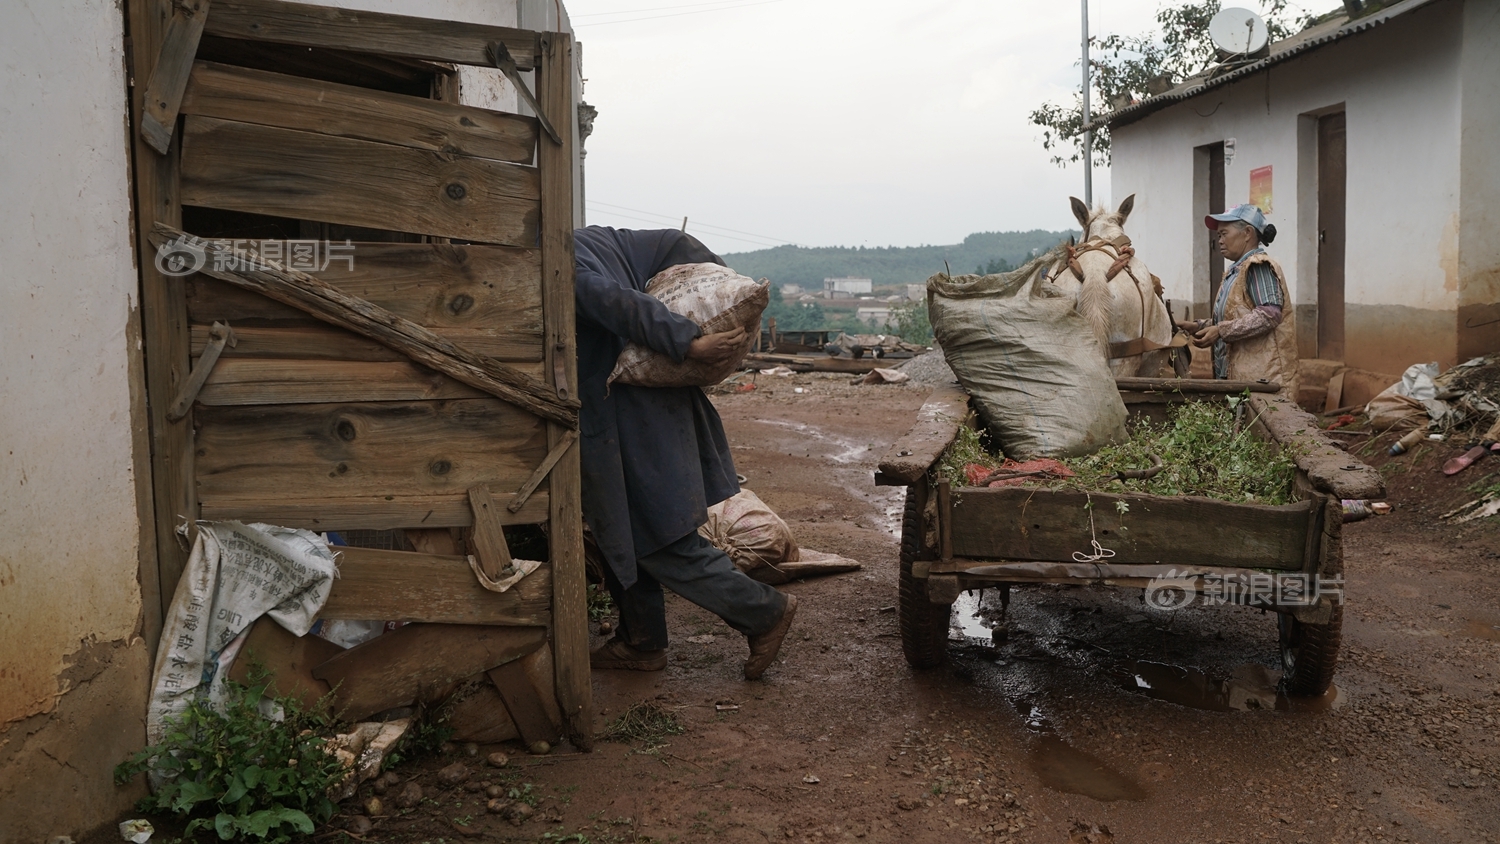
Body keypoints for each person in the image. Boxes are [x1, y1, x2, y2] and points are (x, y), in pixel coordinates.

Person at [572, 226, 798, 679]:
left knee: (653, 536)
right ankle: (642, 641)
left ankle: (762, 612)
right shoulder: (591, 246)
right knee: (624, 528)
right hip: (631, 411)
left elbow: (603, 296)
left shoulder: (577, 250)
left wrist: (686, 339)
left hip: (626, 414)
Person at [1176, 204, 1299, 396]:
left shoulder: (1259, 266)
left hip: (1264, 381)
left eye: (1224, 234)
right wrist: (1198, 326)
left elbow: (1270, 315)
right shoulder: (1236, 271)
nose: (1220, 241)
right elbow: (1238, 316)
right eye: (1219, 236)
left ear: (1248, 233)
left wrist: (1221, 330)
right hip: (1243, 381)